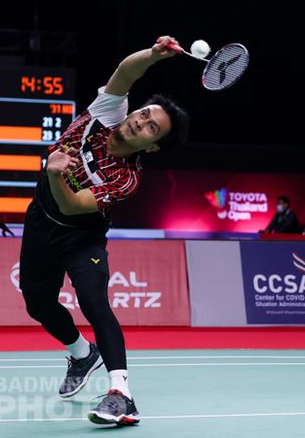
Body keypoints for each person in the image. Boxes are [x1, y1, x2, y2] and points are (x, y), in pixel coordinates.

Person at [18, 35, 190, 426]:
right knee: (37, 303)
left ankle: (121, 393)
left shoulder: (127, 180)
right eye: (145, 114)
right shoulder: (107, 112)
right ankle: (82, 354)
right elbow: (126, 72)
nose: (141, 121)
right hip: (41, 220)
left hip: (82, 235)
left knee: (94, 299)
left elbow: (73, 205)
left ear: (152, 148)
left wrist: (56, 172)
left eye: (151, 128)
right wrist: (153, 54)